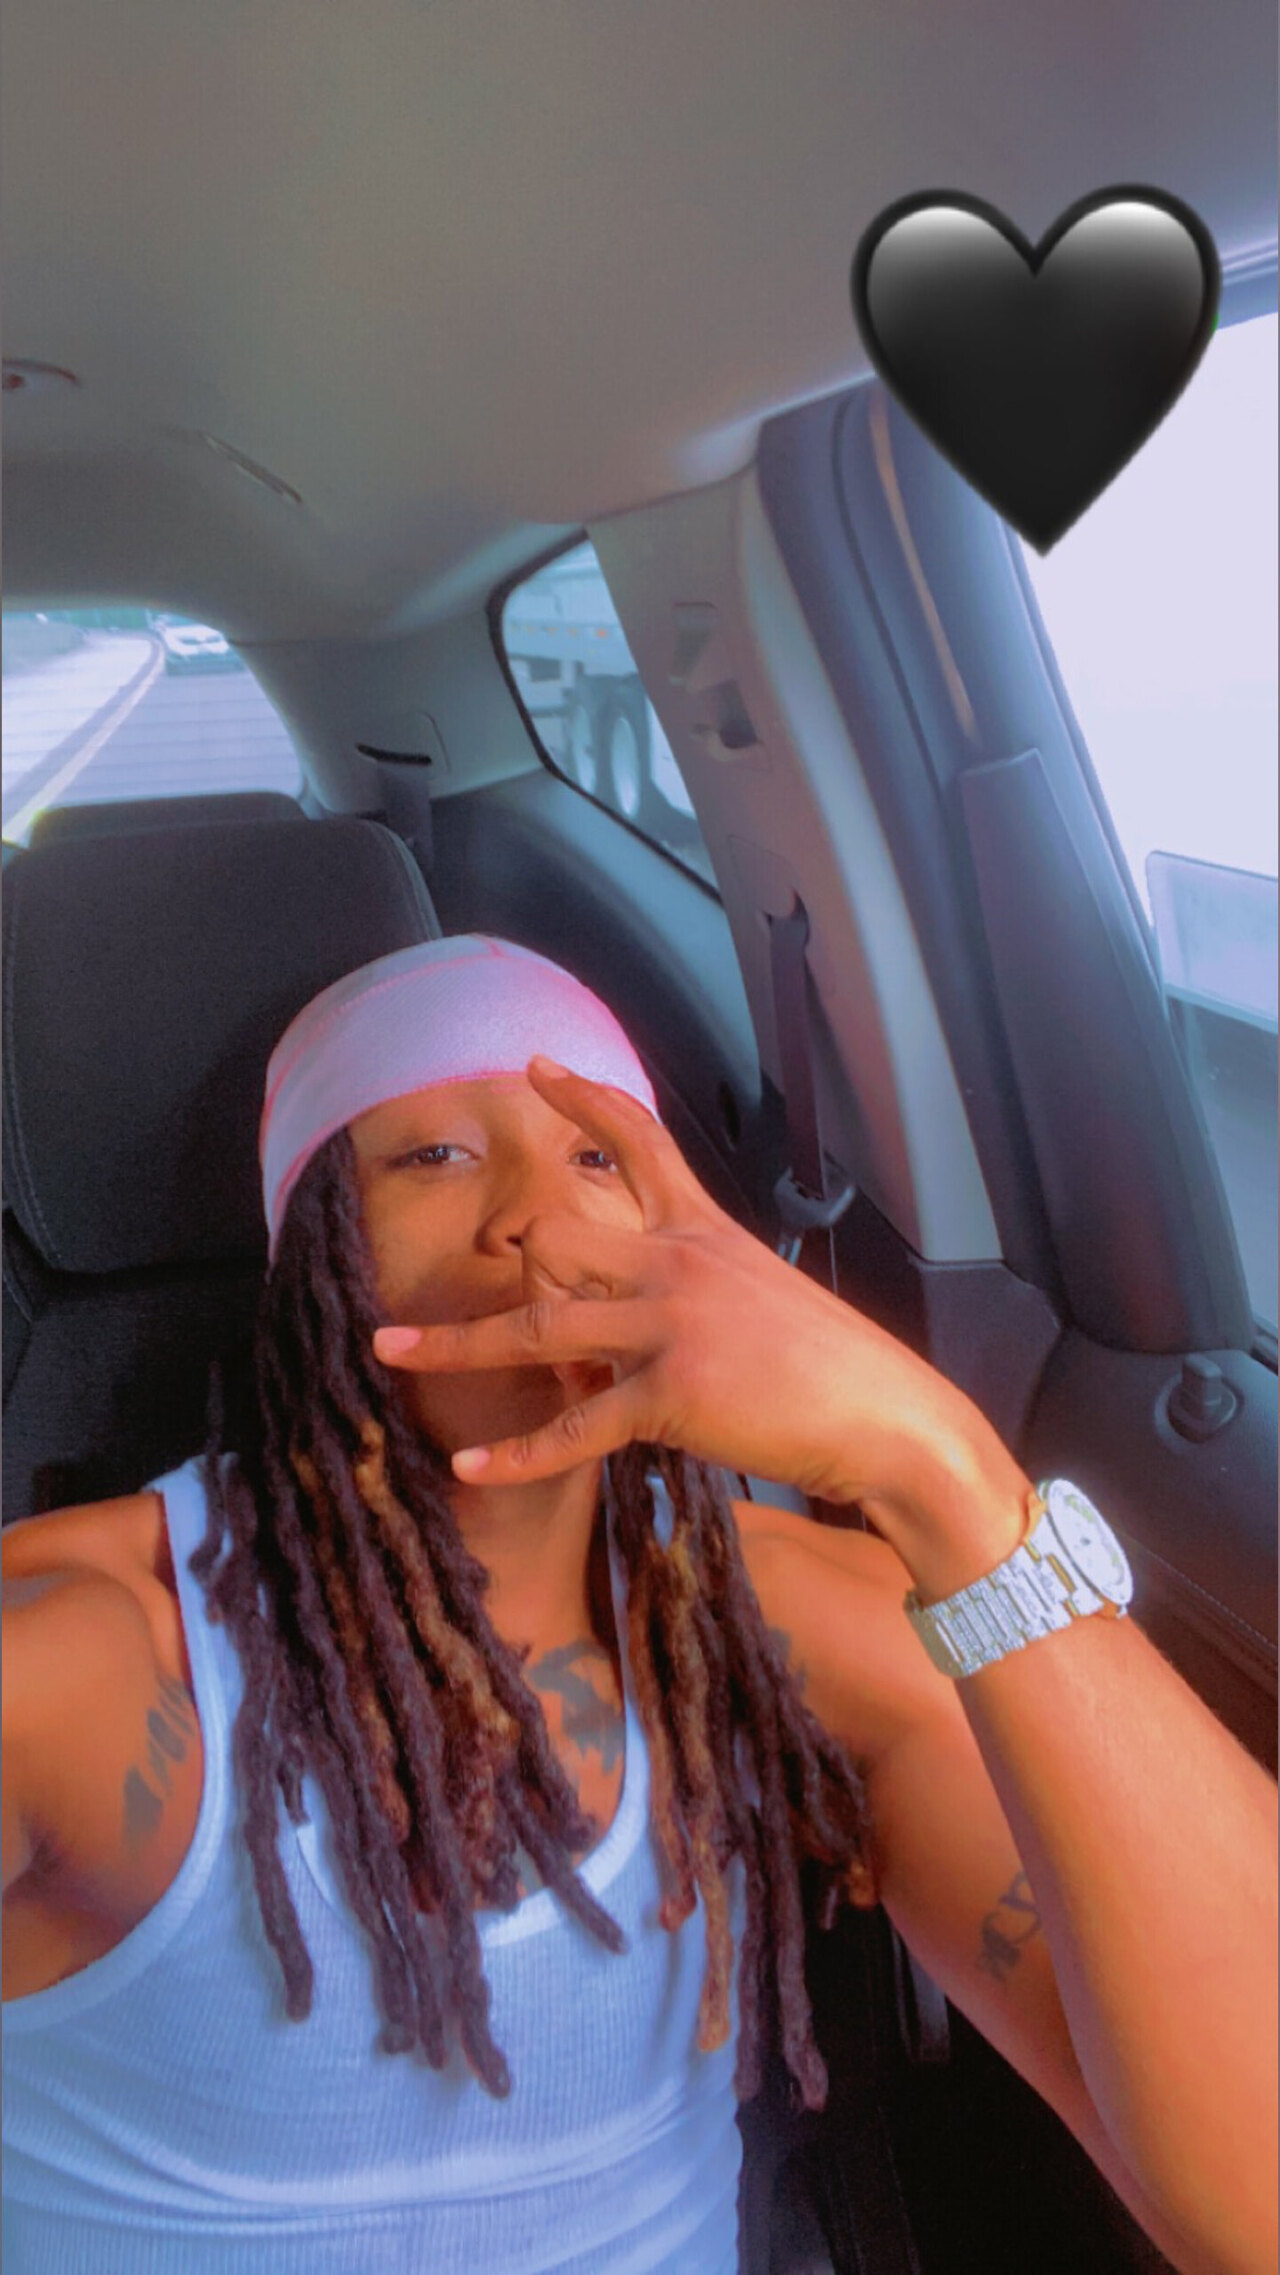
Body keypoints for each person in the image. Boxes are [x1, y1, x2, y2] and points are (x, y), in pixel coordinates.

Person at [2, 933, 1275, 2275]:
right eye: (433, 1154)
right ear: (307, 1260)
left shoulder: (793, 1626)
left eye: (598, 1158)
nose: (536, 1218)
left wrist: (940, 1469)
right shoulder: (85, 1663)